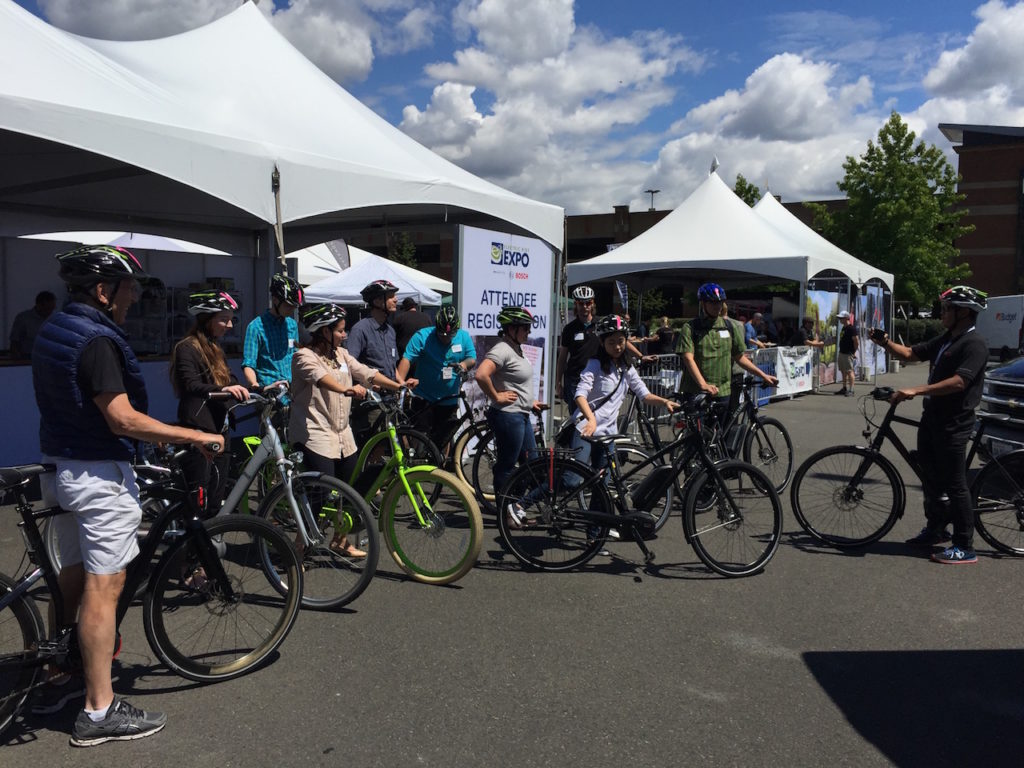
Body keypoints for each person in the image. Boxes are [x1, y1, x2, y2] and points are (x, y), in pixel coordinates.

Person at [31, 245, 224, 746]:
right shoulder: (96, 340)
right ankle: (98, 711)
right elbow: (121, 418)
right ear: (102, 291)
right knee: (104, 588)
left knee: (71, 579)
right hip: (98, 475)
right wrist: (191, 436)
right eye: (128, 286)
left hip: (64, 468)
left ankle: (58, 675)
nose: (135, 295)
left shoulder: (55, 328)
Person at [868, 285, 989, 564]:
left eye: (947, 309)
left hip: (954, 424)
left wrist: (915, 390)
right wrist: (885, 342)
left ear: (964, 313)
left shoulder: (974, 344)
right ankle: (936, 529)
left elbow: (960, 382)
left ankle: (965, 545)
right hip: (932, 421)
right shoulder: (947, 338)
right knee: (931, 480)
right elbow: (911, 354)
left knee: (956, 485)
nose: (942, 313)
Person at [289, 302, 409, 554]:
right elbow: (321, 379)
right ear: (324, 331)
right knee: (320, 495)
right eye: (340, 331)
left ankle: (340, 540)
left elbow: (365, 372)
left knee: (349, 489)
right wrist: (346, 389)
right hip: (315, 434)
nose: (345, 335)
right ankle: (298, 546)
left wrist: (396, 386)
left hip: (343, 435)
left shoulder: (341, 355)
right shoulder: (303, 357)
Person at [572, 314, 678, 538]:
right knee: (571, 480)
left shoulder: (626, 368)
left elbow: (644, 394)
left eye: (621, 341)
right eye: (611, 342)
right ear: (602, 343)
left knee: (602, 487)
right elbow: (579, 395)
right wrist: (591, 419)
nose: (617, 346)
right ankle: (522, 504)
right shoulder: (594, 364)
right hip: (586, 430)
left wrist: (665, 401)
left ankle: (594, 533)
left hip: (607, 436)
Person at [169, 291, 250, 517]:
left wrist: (261, 389)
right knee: (198, 498)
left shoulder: (215, 348)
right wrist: (222, 390)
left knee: (216, 497)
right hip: (198, 427)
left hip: (220, 429)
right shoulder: (186, 347)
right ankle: (190, 547)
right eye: (224, 319)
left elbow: (230, 381)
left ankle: (209, 543)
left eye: (231, 319)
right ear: (206, 319)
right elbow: (191, 385)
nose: (230, 325)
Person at [474, 306, 546, 527]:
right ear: (510, 328)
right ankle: (505, 515)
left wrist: (529, 401)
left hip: (521, 414)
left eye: (529, 327)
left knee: (532, 466)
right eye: (524, 327)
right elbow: (481, 374)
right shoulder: (503, 349)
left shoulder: (516, 348)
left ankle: (515, 507)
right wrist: (496, 396)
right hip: (508, 416)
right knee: (506, 466)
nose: (528, 331)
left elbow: (516, 381)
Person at [678, 283, 777, 417]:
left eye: (720, 302)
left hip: (723, 391)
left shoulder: (729, 327)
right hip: (697, 390)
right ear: (703, 303)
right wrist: (703, 384)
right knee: (698, 435)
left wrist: (763, 375)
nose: (717, 306)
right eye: (712, 302)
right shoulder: (690, 328)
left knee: (723, 433)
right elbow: (688, 358)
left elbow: (739, 357)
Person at [396, 305, 476, 452]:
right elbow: (406, 359)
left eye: (450, 335)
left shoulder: (463, 336)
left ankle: (439, 469)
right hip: (424, 398)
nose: (445, 338)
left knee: (443, 440)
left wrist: (464, 364)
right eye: (441, 335)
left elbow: (472, 358)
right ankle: (418, 467)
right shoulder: (422, 336)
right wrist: (400, 383)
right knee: (420, 438)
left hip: (449, 399)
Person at [556, 285, 650, 403]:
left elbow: (622, 341)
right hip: (575, 378)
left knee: (597, 415)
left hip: (598, 376)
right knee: (578, 417)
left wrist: (641, 356)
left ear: (593, 303)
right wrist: (558, 382)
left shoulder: (601, 324)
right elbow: (563, 357)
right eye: (581, 303)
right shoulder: (569, 328)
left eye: (588, 303)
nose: (584, 307)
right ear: (576, 304)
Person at [346, 279, 407, 440]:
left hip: (391, 400)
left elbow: (392, 366)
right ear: (377, 301)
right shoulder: (360, 329)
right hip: (372, 402)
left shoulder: (390, 330)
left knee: (396, 444)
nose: (396, 299)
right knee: (375, 446)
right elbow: (350, 366)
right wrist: (370, 384)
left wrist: (402, 382)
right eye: (391, 296)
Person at [241, 273, 303, 388]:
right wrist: (255, 385)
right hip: (269, 393)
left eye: (294, 307)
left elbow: (295, 357)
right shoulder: (256, 327)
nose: (292, 310)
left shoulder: (292, 325)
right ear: (275, 300)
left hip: (292, 392)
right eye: (288, 305)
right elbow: (249, 363)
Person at [10, 289, 57, 359]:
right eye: (47, 309)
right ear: (38, 305)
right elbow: (14, 341)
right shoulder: (23, 318)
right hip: (28, 358)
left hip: (51, 358)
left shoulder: (56, 318)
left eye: (52, 308)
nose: (50, 312)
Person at [835, 311, 859, 397]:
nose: (840, 319)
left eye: (841, 318)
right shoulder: (844, 328)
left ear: (846, 318)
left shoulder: (851, 329)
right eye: (839, 318)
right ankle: (844, 388)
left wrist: (853, 352)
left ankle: (851, 390)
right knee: (843, 371)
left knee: (850, 371)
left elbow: (856, 341)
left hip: (848, 353)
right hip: (842, 352)